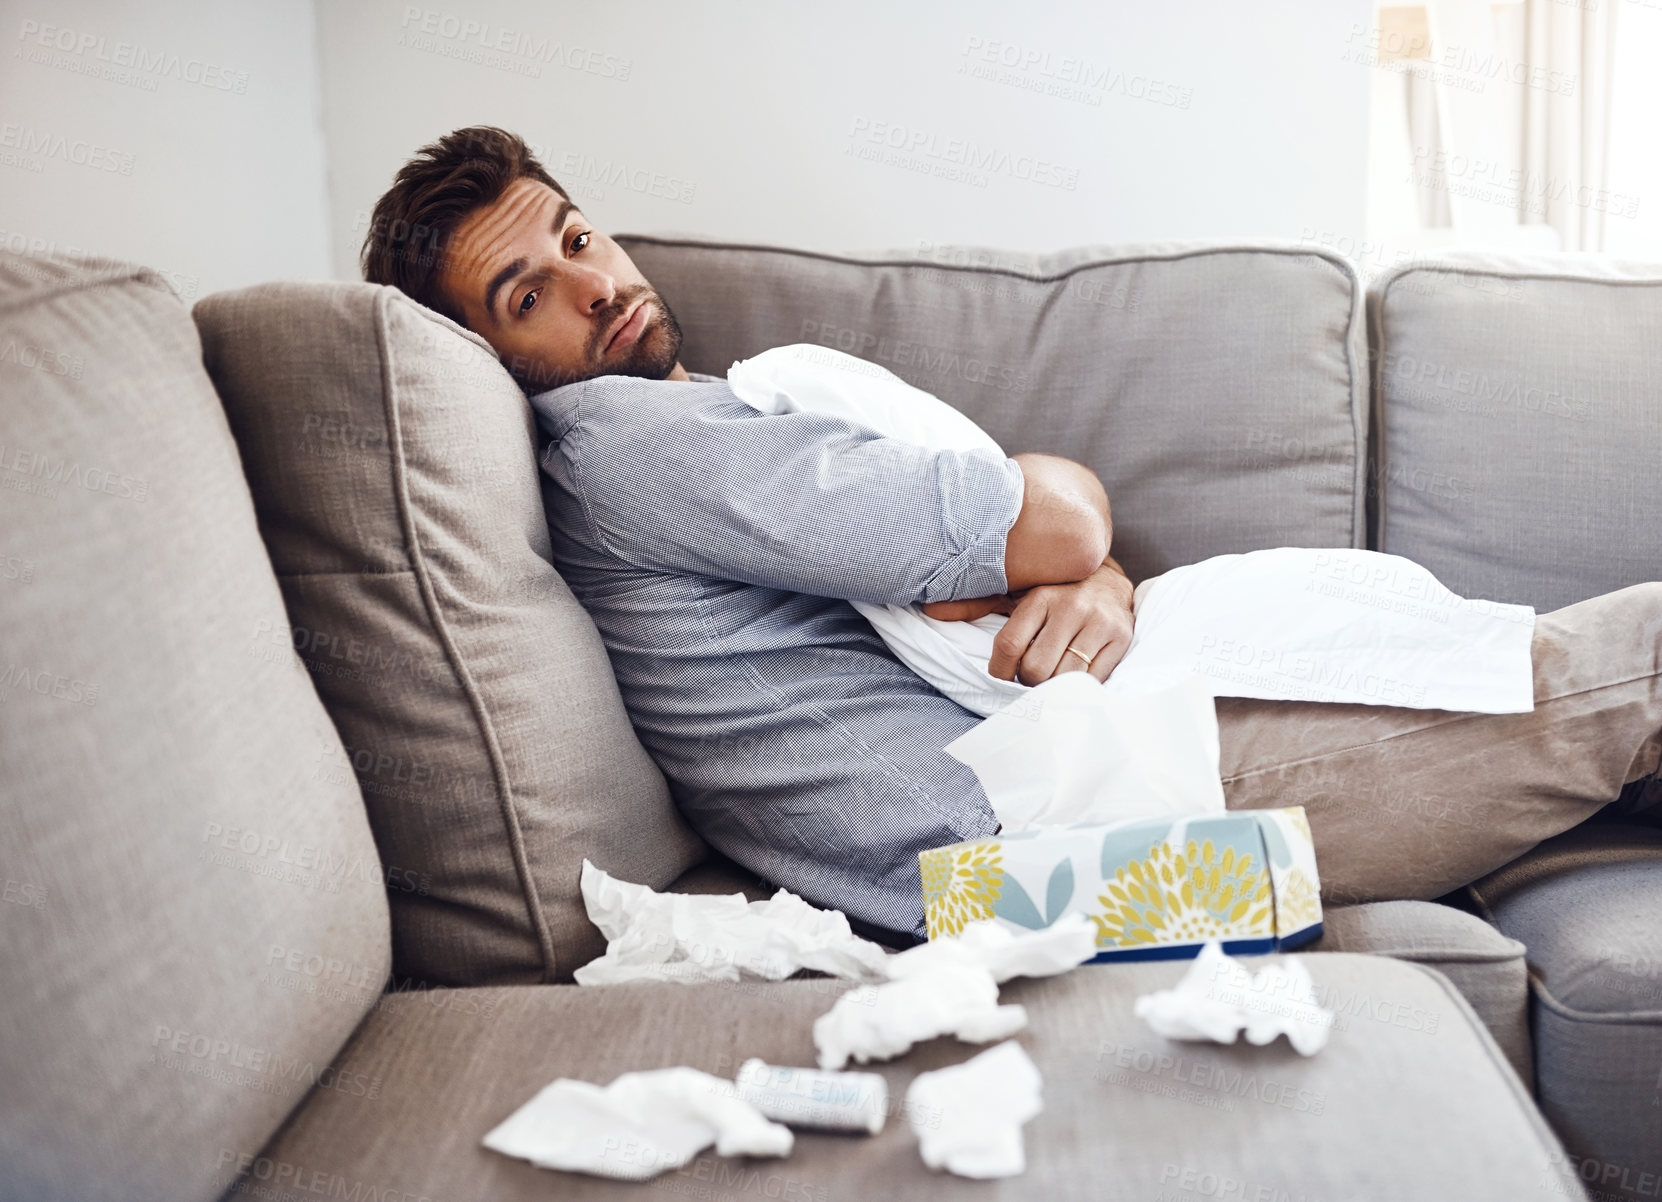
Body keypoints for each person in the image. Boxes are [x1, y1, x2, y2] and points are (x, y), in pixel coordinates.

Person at [361, 125, 1662, 942]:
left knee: (1597, 731)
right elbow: (1039, 518)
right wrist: (1075, 534)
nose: (597, 289)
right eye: (532, 292)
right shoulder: (620, 445)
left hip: (1037, 831)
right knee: (1632, 667)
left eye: (580, 238)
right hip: (1057, 867)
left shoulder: (696, 420)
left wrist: (1091, 574)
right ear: (481, 352)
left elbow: (1024, 552)